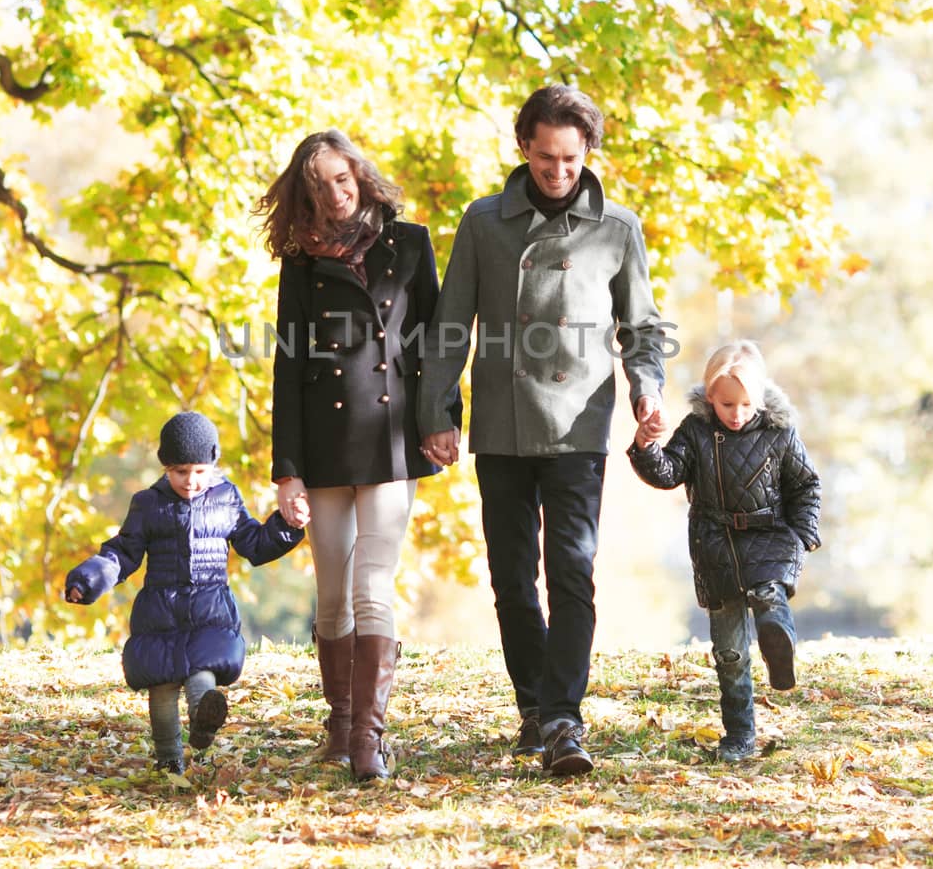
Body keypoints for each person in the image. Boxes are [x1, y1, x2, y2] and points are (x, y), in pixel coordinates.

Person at [417, 84, 666, 777]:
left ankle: (563, 717)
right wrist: (436, 411)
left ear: (587, 153)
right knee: (511, 578)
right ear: (524, 147)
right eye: (546, 157)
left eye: (570, 158)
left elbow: (641, 329)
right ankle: (534, 707)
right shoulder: (483, 221)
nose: (558, 171)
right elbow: (449, 326)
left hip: (580, 424)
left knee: (573, 573)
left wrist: (648, 391)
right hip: (501, 422)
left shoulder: (617, 227)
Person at [258, 129, 457, 782]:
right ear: (305, 196)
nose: (337, 196)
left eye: (344, 181)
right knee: (332, 596)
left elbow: (437, 343)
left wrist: (441, 421)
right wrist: (287, 469)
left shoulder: (410, 243)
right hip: (321, 446)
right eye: (321, 188)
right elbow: (287, 368)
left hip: (393, 437)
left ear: (361, 177)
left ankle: (369, 738)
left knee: (374, 582)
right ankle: (340, 727)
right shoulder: (300, 261)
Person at [64, 411, 307, 773]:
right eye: (180, 472)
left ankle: (203, 722)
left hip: (210, 612)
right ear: (165, 467)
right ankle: (168, 760)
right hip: (160, 613)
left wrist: (286, 526)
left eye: (199, 472)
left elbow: (254, 543)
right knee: (161, 691)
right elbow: (122, 552)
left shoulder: (226, 499)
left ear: (212, 465)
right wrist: (88, 580)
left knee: (203, 675)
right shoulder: (148, 504)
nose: (191, 482)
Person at [627, 340, 822, 763]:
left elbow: (806, 486)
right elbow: (668, 473)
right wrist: (646, 447)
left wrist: (803, 535)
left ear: (760, 397)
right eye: (727, 404)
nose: (736, 414)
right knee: (729, 654)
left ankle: (777, 643)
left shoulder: (779, 432)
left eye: (745, 404)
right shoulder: (696, 432)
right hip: (715, 545)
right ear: (710, 397)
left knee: (768, 594)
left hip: (769, 536)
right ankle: (739, 734)